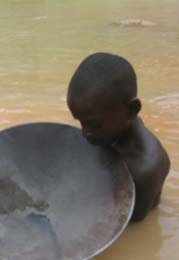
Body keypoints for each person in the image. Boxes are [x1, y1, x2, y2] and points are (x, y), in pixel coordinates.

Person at [67, 52, 170, 222]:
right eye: (80, 122)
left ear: (132, 110)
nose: (84, 133)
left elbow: (119, 227)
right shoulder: (117, 125)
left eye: (94, 125)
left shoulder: (142, 172)